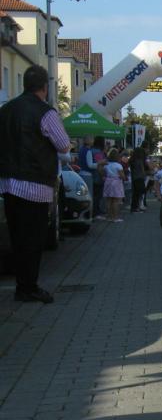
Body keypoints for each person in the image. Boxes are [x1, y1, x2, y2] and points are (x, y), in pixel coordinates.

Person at [0, 64, 71, 304]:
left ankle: (21, 286)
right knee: (33, 239)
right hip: (35, 184)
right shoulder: (45, 112)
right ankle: (29, 287)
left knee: (17, 237)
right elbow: (63, 145)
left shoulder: (5, 110)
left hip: (7, 183)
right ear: (45, 87)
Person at [103, 148, 125, 222]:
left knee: (108, 200)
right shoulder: (118, 165)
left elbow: (104, 174)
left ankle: (109, 217)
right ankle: (115, 218)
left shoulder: (106, 165)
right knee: (115, 201)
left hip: (108, 182)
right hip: (116, 183)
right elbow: (122, 176)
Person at [90, 135, 107, 218]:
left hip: (92, 175)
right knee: (97, 195)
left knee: (95, 195)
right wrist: (103, 175)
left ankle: (96, 210)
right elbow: (100, 165)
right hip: (97, 176)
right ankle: (95, 212)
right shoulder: (98, 152)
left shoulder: (91, 150)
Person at [129, 147, 147, 213]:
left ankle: (134, 208)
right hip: (140, 178)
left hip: (134, 178)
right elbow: (142, 170)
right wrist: (144, 175)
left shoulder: (132, 160)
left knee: (135, 194)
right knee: (140, 193)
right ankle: (137, 207)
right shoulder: (139, 160)